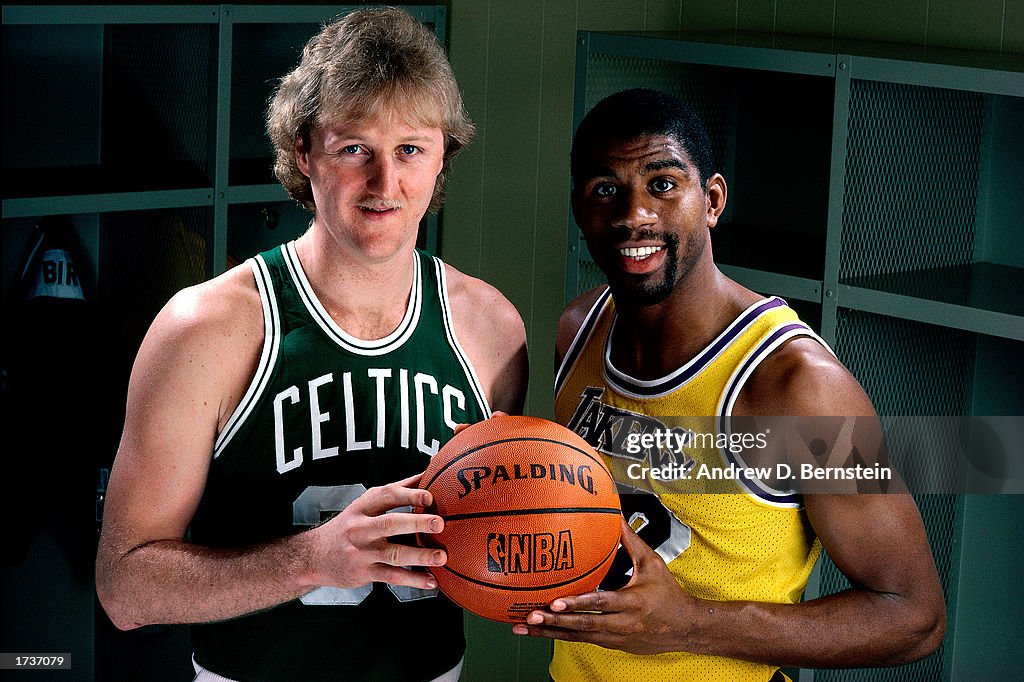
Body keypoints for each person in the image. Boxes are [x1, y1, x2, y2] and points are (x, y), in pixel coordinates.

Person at [95, 8, 527, 682]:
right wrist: (314, 559)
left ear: (444, 152)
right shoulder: (205, 330)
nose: (385, 184)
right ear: (304, 150)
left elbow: (485, 540)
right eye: (355, 148)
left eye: (411, 148)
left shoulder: (491, 329)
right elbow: (124, 589)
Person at [515, 88, 945, 681]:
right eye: (605, 190)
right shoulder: (578, 329)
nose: (634, 214)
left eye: (662, 184)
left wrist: (688, 623)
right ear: (580, 208)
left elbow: (914, 616)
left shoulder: (798, 386)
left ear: (712, 199)